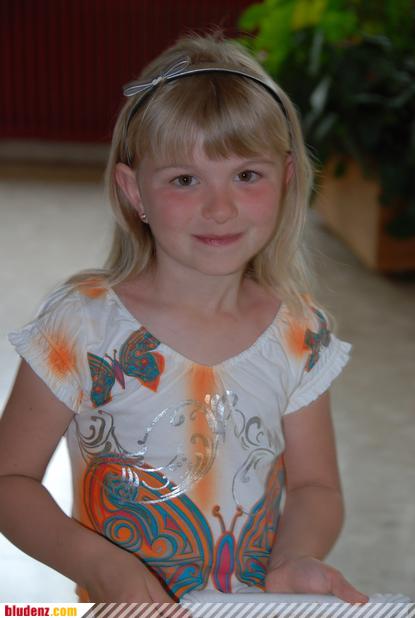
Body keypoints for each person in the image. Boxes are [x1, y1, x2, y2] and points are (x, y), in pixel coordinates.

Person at [0, 33, 368, 604]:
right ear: (134, 191)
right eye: (184, 180)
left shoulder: (300, 332)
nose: (219, 208)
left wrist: (293, 562)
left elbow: (316, 487)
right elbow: (10, 481)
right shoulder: (81, 326)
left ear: (287, 178)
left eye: (247, 175)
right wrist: (98, 564)